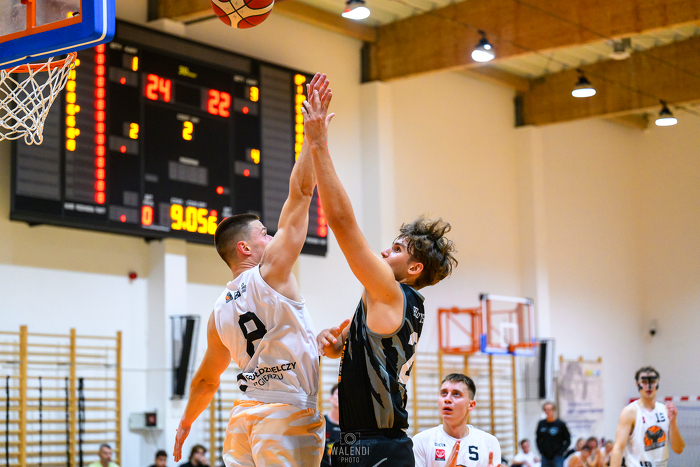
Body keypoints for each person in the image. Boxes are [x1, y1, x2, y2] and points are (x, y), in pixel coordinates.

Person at [172, 73, 334, 467]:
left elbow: (206, 380)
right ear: (244, 248)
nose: (272, 237)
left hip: (243, 417)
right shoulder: (272, 271)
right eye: (264, 233)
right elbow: (302, 192)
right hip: (286, 412)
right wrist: (313, 139)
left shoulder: (218, 312)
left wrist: (185, 423)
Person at [310, 77, 457, 466]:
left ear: (414, 267)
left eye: (396, 249)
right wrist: (339, 345)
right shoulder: (394, 300)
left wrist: (318, 144)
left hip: (377, 447)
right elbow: (356, 351)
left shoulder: (390, 291)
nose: (383, 252)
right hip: (362, 443)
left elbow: (342, 223)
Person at [412, 374, 501, 467]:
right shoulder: (421, 441)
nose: (447, 399)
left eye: (456, 394)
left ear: (471, 405)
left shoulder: (489, 442)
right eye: (444, 393)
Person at [609, 367, 685, 467]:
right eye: (644, 382)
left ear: (657, 384)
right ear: (637, 384)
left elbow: (679, 449)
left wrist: (673, 423)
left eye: (652, 381)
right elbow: (618, 448)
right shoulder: (630, 412)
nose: (648, 386)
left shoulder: (665, 411)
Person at [536, 402, 571, 467]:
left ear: (553, 410)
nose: (548, 412)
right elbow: (538, 439)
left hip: (557, 457)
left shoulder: (560, 424)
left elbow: (568, 440)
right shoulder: (541, 424)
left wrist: (561, 452)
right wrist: (541, 451)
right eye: (546, 410)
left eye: (549, 410)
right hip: (545, 456)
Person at [321, 384, 342, 467]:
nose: (340, 397)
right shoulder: (321, 424)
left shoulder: (352, 427)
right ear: (331, 398)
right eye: (338, 394)